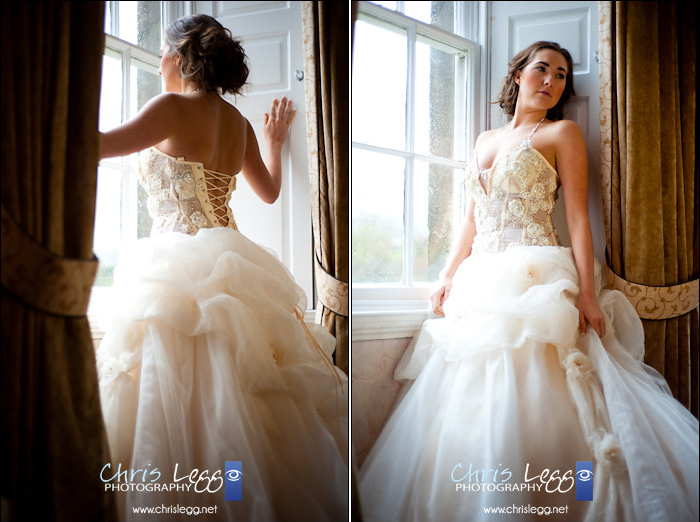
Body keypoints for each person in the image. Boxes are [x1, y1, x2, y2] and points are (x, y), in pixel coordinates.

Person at [357, 41, 698, 522]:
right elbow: (472, 220)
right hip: (482, 281)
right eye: (542, 70)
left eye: (561, 76)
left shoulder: (562, 133)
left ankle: (575, 498)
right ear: (518, 75)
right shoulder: (482, 140)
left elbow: (578, 219)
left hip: (536, 274)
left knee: (546, 388)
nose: (551, 82)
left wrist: (585, 292)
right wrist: (447, 275)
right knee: (477, 401)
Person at [95, 14, 348, 522]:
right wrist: (273, 143)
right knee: (233, 398)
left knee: (189, 395)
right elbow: (270, 192)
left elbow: (97, 146)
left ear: (179, 57)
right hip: (230, 261)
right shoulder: (238, 125)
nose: (158, 63)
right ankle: (234, 500)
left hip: (178, 269)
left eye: (161, 54)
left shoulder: (168, 107)